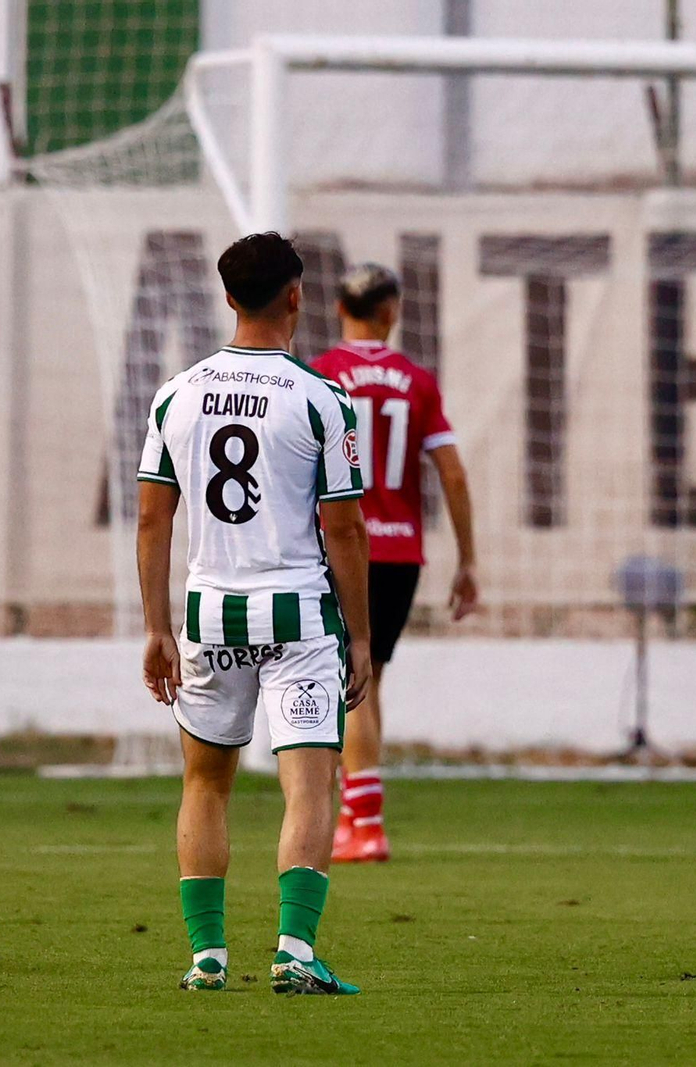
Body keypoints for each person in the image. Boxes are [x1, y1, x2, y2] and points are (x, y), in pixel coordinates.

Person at [136, 231, 371, 995]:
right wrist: (361, 637)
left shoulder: (177, 393)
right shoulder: (320, 397)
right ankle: (295, 951)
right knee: (309, 784)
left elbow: (152, 521)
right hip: (298, 616)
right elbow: (343, 526)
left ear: (229, 297)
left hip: (209, 614)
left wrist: (154, 626)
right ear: (296, 295)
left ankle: (208, 957)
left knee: (205, 784)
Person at [312, 263, 479, 864]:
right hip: (402, 548)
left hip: (340, 546)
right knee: (369, 674)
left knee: (338, 682)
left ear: (338, 310)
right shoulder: (417, 381)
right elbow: (453, 472)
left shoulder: (322, 376)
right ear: (393, 311)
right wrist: (468, 561)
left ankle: (361, 823)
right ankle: (364, 821)